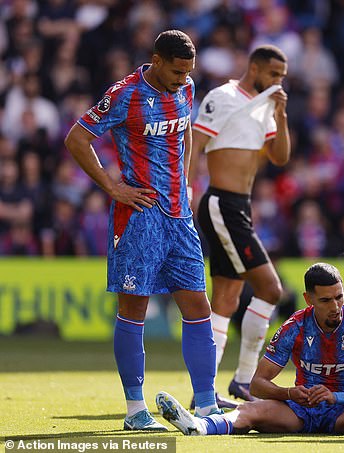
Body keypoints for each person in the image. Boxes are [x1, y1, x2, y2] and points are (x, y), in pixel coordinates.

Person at [64, 30, 218, 431]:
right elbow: (78, 138)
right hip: (139, 217)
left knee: (199, 307)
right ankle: (135, 410)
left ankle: (206, 406)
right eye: (177, 71)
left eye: (189, 72)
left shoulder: (186, 85)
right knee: (134, 309)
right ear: (157, 59)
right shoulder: (125, 93)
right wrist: (113, 186)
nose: (183, 79)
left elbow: (184, 134)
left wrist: (185, 182)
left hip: (179, 216)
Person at [155, 263, 344, 438]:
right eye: (326, 300)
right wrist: (290, 392)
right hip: (301, 411)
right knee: (249, 409)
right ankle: (200, 426)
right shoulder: (294, 326)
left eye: (339, 297)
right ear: (308, 299)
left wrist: (336, 397)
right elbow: (257, 385)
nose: (336, 306)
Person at [189, 44, 291, 404]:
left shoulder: (266, 107)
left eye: (282, 76)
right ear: (255, 68)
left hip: (239, 207)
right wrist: (187, 187)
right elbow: (195, 141)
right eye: (274, 74)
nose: (278, 81)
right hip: (221, 203)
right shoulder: (224, 96)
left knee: (227, 300)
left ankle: (207, 391)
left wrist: (280, 115)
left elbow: (279, 158)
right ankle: (244, 379)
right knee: (270, 289)